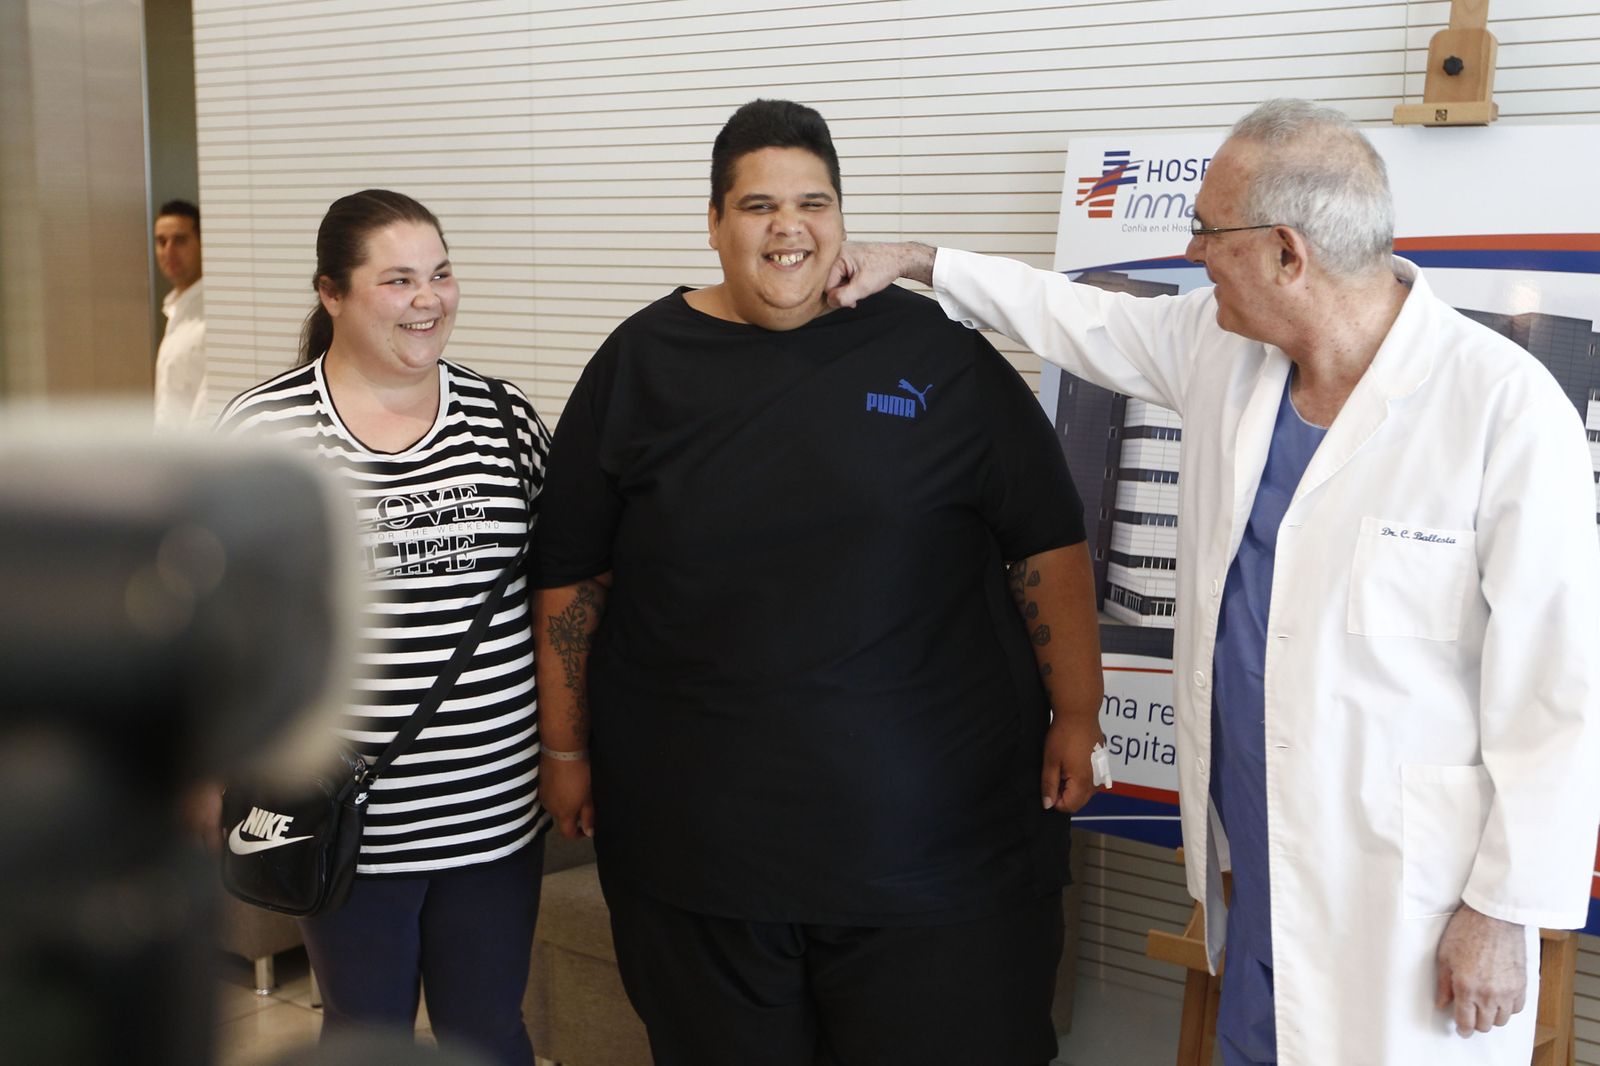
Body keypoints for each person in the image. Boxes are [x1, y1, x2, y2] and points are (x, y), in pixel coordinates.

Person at [826, 98, 1600, 1066]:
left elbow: (1557, 688)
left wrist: (1502, 908)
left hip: (1409, 891)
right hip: (1252, 859)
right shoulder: (1224, 348)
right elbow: (1082, 317)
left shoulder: (1499, 406)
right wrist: (922, 260)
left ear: (1286, 253)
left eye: (1206, 230)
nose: (1192, 253)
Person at [532, 99, 1105, 1066]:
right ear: (714, 223)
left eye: (813, 203)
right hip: (700, 852)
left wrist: (1079, 713)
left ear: (841, 215)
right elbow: (571, 578)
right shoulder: (640, 364)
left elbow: (1044, 542)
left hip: (937, 848)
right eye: (758, 205)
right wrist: (565, 749)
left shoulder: (935, 353)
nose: (788, 227)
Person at [215, 189, 551, 1066]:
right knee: (365, 1037)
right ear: (332, 293)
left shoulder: (504, 419)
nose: (428, 299)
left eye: (440, 273)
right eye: (398, 280)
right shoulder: (266, 429)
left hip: (494, 811)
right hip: (346, 821)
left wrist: (571, 752)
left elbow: (558, 597)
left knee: (490, 1032)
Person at [153, 199, 209, 431]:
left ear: (202, 243)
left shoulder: (211, 316)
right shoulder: (175, 310)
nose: (169, 251)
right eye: (161, 241)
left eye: (180, 240)